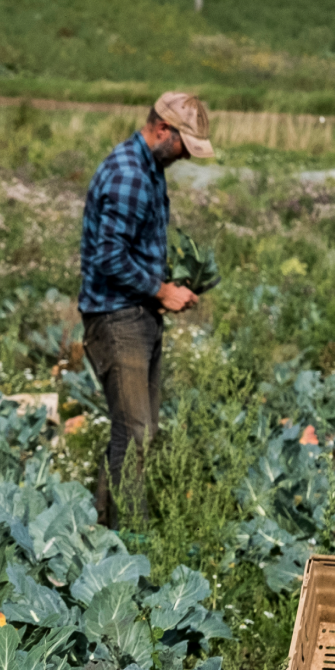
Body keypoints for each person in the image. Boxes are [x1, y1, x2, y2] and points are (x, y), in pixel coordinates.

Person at [79, 91, 214, 526]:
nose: (185, 157)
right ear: (162, 130)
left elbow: (131, 249)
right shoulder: (130, 174)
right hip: (117, 317)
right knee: (136, 435)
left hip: (135, 314)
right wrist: (160, 291)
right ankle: (129, 538)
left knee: (132, 431)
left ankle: (102, 532)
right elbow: (108, 257)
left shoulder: (150, 168)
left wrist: (171, 285)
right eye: (183, 146)